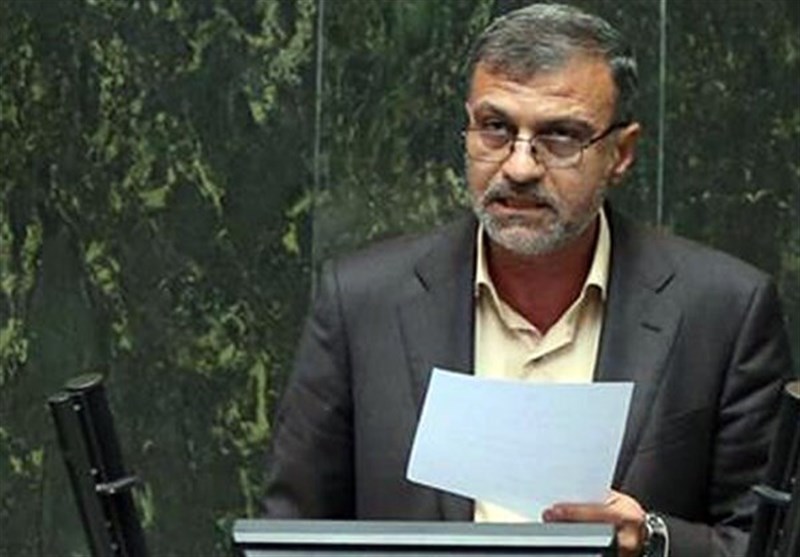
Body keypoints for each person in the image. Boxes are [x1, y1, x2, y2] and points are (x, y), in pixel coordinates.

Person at [263, 3, 793, 556]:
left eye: (560, 136)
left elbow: (768, 542)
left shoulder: (722, 311)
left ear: (621, 153)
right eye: (495, 129)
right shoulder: (361, 303)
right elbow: (289, 537)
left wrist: (654, 540)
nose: (519, 167)